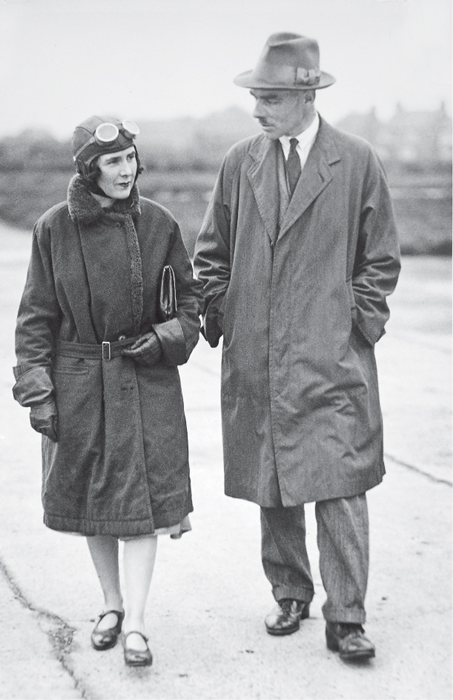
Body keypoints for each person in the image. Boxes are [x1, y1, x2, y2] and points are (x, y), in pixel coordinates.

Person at [194, 33, 400, 661]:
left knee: (340, 481)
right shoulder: (241, 161)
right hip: (257, 352)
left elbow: (381, 258)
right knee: (271, 478)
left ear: (307, 96)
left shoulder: (356, 159)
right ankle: (289, 593)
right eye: (256, 96)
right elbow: (213, 252)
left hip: (330, 355)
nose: (258, 108)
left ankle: (347, 617)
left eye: (271, 97)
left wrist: (351, 324)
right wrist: (224, 310)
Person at [12, 115, 202, 667]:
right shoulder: (53, 228)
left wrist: (165, 338)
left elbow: (190, 308)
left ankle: (137, 624)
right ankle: (112, 605)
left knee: (143, 505)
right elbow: (35, 318)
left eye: (129, 159)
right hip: (80, 385)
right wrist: (38, 390)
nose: (125, 170)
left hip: (147, 383)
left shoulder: (160, 223)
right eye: (112, 162)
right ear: (88, 169)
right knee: (98, 501)